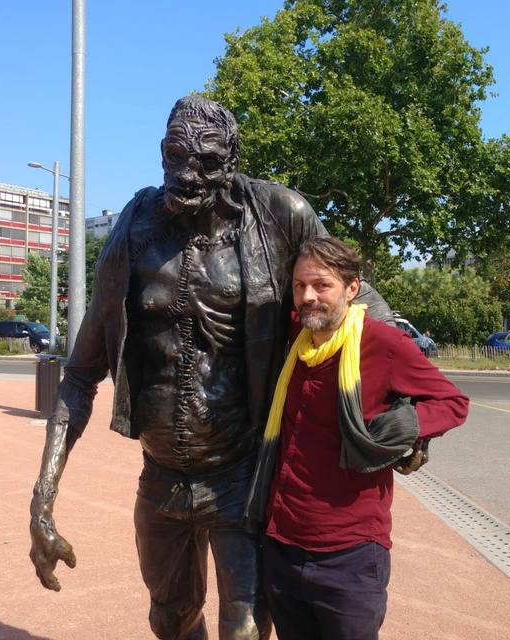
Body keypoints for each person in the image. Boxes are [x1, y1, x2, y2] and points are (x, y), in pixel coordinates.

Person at [28, 96, 394, 640]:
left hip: (242, 473)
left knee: (245, 627)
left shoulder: (279, 214)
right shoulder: (135, 229)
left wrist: (403, 405)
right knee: (170, 620)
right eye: (176, 155)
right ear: (161, 152)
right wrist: (42, 501)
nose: (188, 173)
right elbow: (81, 373)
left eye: (206, 159)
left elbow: (364, 306)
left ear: (233, 157)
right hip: (161, 477)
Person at [244, 236, 469, 640]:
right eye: (299, 286)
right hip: (282, 544)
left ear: (351, 287)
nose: (308, 296)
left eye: (321, 285)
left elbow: (453, 402)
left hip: (349, 558)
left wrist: (407, 427)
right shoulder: (296, 339)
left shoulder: (383, 344)